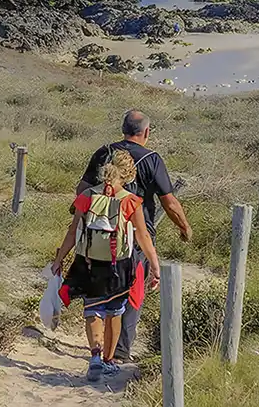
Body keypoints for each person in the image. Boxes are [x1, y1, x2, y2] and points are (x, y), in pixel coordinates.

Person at [75, 109, 190, 363]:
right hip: (135, 236)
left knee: (99, 292)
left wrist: (80, 213)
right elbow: (169, 203)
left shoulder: (103, 152)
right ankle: (120, 351)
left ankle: (98, 350)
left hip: (100, 234)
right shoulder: (152, 159)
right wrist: (184, 228)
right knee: (131, 293)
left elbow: (81, 188)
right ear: (146, 132)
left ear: (123, 128)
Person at [49, 149, 160, 381]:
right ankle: (109, 360)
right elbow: (143, 238)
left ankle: (95, 356)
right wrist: (155, 266)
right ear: (129, 175)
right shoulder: (131, 201)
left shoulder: (87, 196)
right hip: (119, 265)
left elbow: (73, 231)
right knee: (115, 311)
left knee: (93, 309)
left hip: (88, 262)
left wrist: (59, 259)